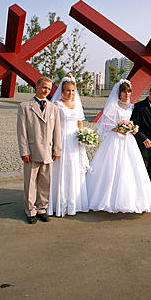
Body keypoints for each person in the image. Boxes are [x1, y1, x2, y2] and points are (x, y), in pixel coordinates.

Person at [86, 79, 151, 214]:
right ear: (119, 93)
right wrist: (119, 128)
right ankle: (107, 199)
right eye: (124, 92)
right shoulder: (114, 106)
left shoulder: (132, 107)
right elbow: (106, 124)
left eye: (128, 92)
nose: (126, 95)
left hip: (128, 140)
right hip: (115, 139)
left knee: (129, 168)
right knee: (112, 167)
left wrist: (133, 128)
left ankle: (130, 200)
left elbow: (135, 122)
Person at [17, 76, 62, 224]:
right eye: (44, 87)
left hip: (48, 151)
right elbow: (21, 131)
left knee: (45, 182)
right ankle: (30, 210)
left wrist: (57, 150)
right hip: (32, 150)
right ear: (36, 86)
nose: (46, 91)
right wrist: (24, 151)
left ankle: (42, 208)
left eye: (49, 89)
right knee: (30, 182)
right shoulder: (25, 106)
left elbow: (57, 131)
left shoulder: (54, 108)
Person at [48, 74, 89, 217]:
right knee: (61, 169)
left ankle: (75, 203)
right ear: (62, 91)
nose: (70, 93)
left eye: (72, 90)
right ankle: (59, 203)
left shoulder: (77, 104)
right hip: (62, 139)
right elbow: (52, 124)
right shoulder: (57, 105)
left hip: (75, 141)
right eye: (67, 90)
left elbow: (79, 122)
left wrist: (84, 136)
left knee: (74, 169)